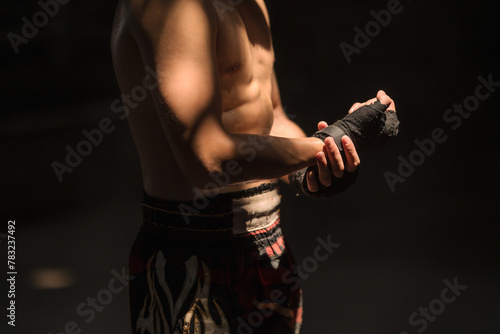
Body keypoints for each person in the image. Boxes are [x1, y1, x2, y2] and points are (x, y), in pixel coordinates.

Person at [111, 0, 397, 333]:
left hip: (268, 243)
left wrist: (315, 170)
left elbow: (271, 120)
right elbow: (206, 159)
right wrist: (338, 136)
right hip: (191, 255)